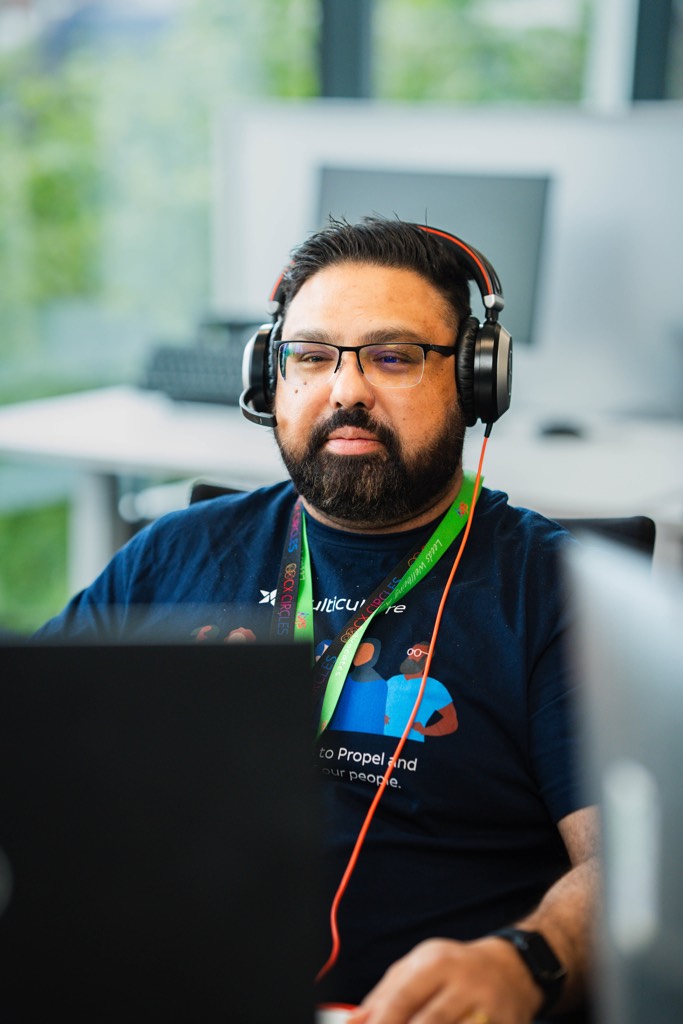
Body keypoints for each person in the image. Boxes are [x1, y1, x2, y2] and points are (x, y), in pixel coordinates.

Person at [37, 218, 598, 1023]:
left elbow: (633, 864)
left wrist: (529, 959)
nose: (345, 391)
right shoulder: (171, 554)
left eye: (393, 356)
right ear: (271, 380)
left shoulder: (549, 589)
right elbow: (32, 759)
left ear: (477, 384)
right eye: (310, 356)